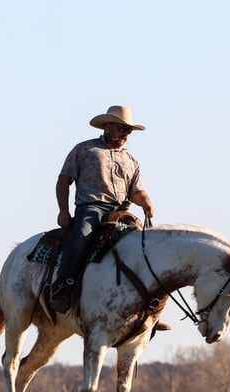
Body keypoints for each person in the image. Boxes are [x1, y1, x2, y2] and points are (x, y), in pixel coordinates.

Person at [50, 105, 155, 313]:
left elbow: (136, 191)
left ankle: (148, 304)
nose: (125, 134)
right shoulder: (84, 150)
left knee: (145, 244)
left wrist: (146, 202)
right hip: (92, 208)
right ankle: (63, 286)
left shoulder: (131, 161)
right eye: (122, 128)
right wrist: (63, 210)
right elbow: (63, 181)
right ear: (107, 126)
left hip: (121, 211)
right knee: (81, 236)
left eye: (128, 130)